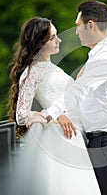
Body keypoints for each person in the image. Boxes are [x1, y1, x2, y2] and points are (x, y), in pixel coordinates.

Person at [28, 0, 107, 195]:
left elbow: (77, 92)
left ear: (90, 25)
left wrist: (47, 115)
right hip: (103, 141)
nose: (76, 32)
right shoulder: (97, 56)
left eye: (78, 26)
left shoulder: (106, 57)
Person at [7, 17, 101, 195]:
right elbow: (21, 114)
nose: (59, 40)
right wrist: (55, 115)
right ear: (39, 43)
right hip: (59, 137)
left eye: (56, 35)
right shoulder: (32, 71)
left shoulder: (55, 69)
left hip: (75, 136)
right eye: (52, 38)